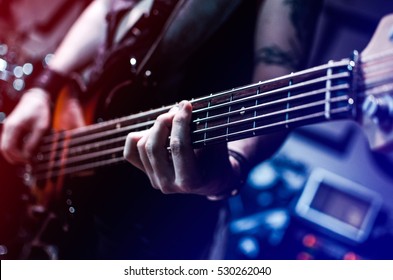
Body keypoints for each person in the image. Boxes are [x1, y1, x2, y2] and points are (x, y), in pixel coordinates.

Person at [0, 0, 323, 259]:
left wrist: (231, 168)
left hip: (155, 208)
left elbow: (279, 84)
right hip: (75, 142)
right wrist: (43, 87)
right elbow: (107, 7)